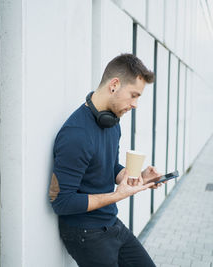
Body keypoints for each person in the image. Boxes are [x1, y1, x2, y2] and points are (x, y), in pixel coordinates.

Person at [49, 54, 162, 267]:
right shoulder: (76, 134)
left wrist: (139, 177)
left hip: (111, 224)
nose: (136, 104)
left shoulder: (112, 122)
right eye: (133, 95)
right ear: (114, 85)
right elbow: (61, 202)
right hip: (85, 233)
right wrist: (116, 195)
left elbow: (109, 168)